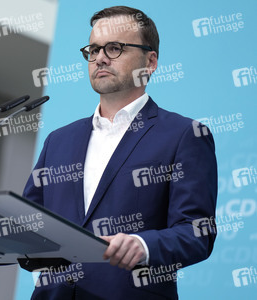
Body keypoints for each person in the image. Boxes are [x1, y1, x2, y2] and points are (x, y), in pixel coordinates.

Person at [23, 6, 217, 300]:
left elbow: (197, 233)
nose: (100, 57)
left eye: (114, 48)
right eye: (93, 49)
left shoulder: (183, 135)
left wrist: (143, 244)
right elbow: (29, 227)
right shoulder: (58, 141)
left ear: (150, 61)